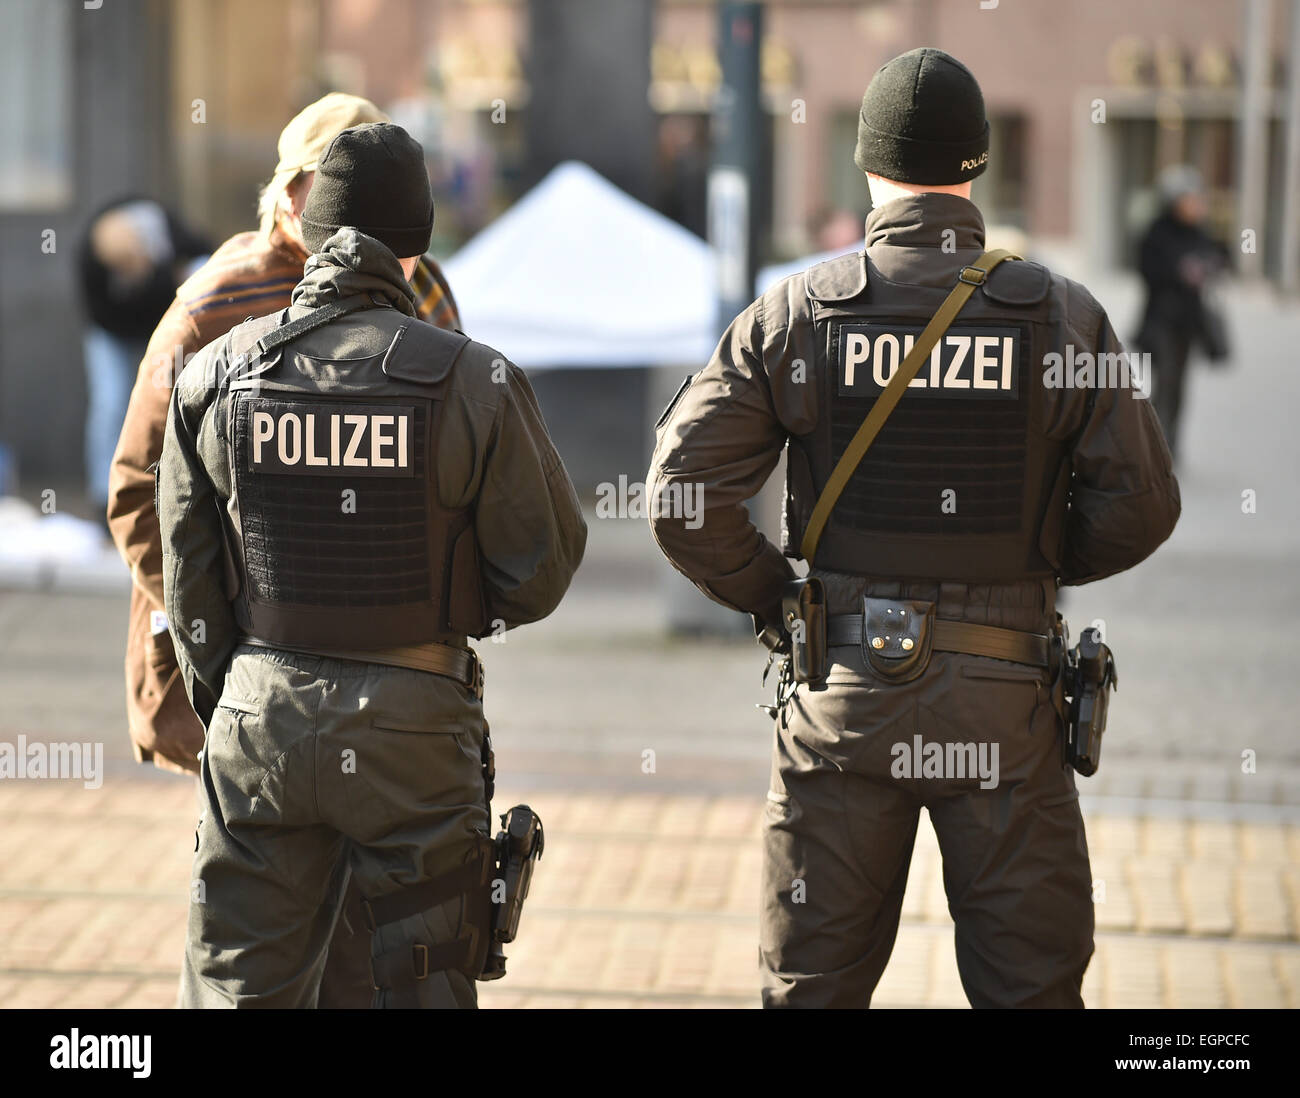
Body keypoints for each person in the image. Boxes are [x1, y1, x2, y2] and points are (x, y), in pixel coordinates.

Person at [648, 48, 1180, 1008]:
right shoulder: (1060, 316)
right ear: (978, 165)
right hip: (1008, 703)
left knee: (809, 990)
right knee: (1033, 990)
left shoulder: (798, 312)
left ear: (867, 166)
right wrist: (1035, 565)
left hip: (843, 693)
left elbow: (681, 494)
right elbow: (1143, 505)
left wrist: (777, 598)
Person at [158, 121, 586, 1008]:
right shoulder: (476, 379)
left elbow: (189, 584)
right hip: (417, 732)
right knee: (423, 984)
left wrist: (237, 701)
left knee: (243, 988)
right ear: (417, 245)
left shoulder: (215, 373)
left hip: (259, 718)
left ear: (310, 233)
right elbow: (540, 570)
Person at [107, 93, 461, 1007]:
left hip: (382, 684)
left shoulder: (424, 290)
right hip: (243, 680)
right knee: (262, 948)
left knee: (358, 941)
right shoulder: (213, 309)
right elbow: (137, 493)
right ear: (296, 191)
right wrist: (229, 654)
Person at [79, 198, 209, 519]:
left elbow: (206, 259)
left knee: (175, 398)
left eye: (134, 266)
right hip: (114, 332)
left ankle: (177, 488)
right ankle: (104, 496)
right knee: (111, 402)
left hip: (166, 324)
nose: (133, 275)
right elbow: (101, 314)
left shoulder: (168, 231)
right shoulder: (89, 261)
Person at [1135, 165, 1230, 461]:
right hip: (1161, 321)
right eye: (1189, 199)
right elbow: (1148, 269)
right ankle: (1152, 445)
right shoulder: (1157, 232)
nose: (1196, 206)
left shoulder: (1199, 232)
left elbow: (1222, 257)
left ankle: (1170, 445)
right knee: (1164, 383)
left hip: (1189, 322)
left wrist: (1208, 265)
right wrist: (1180, 272)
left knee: (1179, 387)